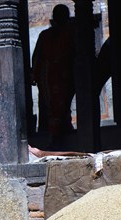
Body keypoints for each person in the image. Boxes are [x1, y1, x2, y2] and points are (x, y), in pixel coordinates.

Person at [31, 4, 76, 150]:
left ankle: (59, 133)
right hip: (52, 77)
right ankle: (53, 136)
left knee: (60, 107)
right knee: (52, 107)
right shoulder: (47, 35)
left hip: (60, 75)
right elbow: (37, 57)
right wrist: (35, 74)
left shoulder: (70, 33)